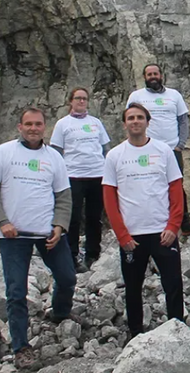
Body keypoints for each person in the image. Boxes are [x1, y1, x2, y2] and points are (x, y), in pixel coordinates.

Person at [0, 108, 76, 370]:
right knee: (16, 292)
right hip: (13, 235)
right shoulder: (4, 153)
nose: (34, 128)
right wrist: (2, 222)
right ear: (19, 127)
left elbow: (64, 195)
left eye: (38, 124)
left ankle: (59, 312)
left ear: (44, 127)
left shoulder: (54, 157)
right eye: (28, 124)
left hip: (47, 232)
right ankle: (21, 346)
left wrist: (59, 226)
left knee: (67, 277)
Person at [103, 103, 185, 338]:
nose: (135, 121)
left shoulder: (163, 151)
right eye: (131, 118)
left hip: (162, 231)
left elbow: (176, 191)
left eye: (140, 117)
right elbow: (109, 199)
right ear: (124, 124)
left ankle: (177, 329)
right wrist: (122, 235)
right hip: (132, 236)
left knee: (173, 284)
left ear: (148, 122)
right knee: (133, 287)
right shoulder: (115, 156)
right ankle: (135, 332)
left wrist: (173, 226)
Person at [126, 63, 190, 235]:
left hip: (171, 150)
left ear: (161, 75)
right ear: (144, 77)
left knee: (177, 186)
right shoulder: (136, 96)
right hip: (146, 149)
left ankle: (184, 222)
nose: (153, 76)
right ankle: (151, 223)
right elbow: (131, 121)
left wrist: (180, 144)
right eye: (149, 74)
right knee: (147, 184)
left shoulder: (174, 95)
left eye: (155, 73)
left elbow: (183, 121)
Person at [50, 87, 111, 273]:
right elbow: (55, 152)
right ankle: (71, 255)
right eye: (78, 98)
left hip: (96, 175)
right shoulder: (62, 124)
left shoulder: (96, 123)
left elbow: (105, 148)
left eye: (84, 98)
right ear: (71, 101)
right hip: (72, 176)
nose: (82, 102)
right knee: (73, 217)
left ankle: (93, 253)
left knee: (94, 217)